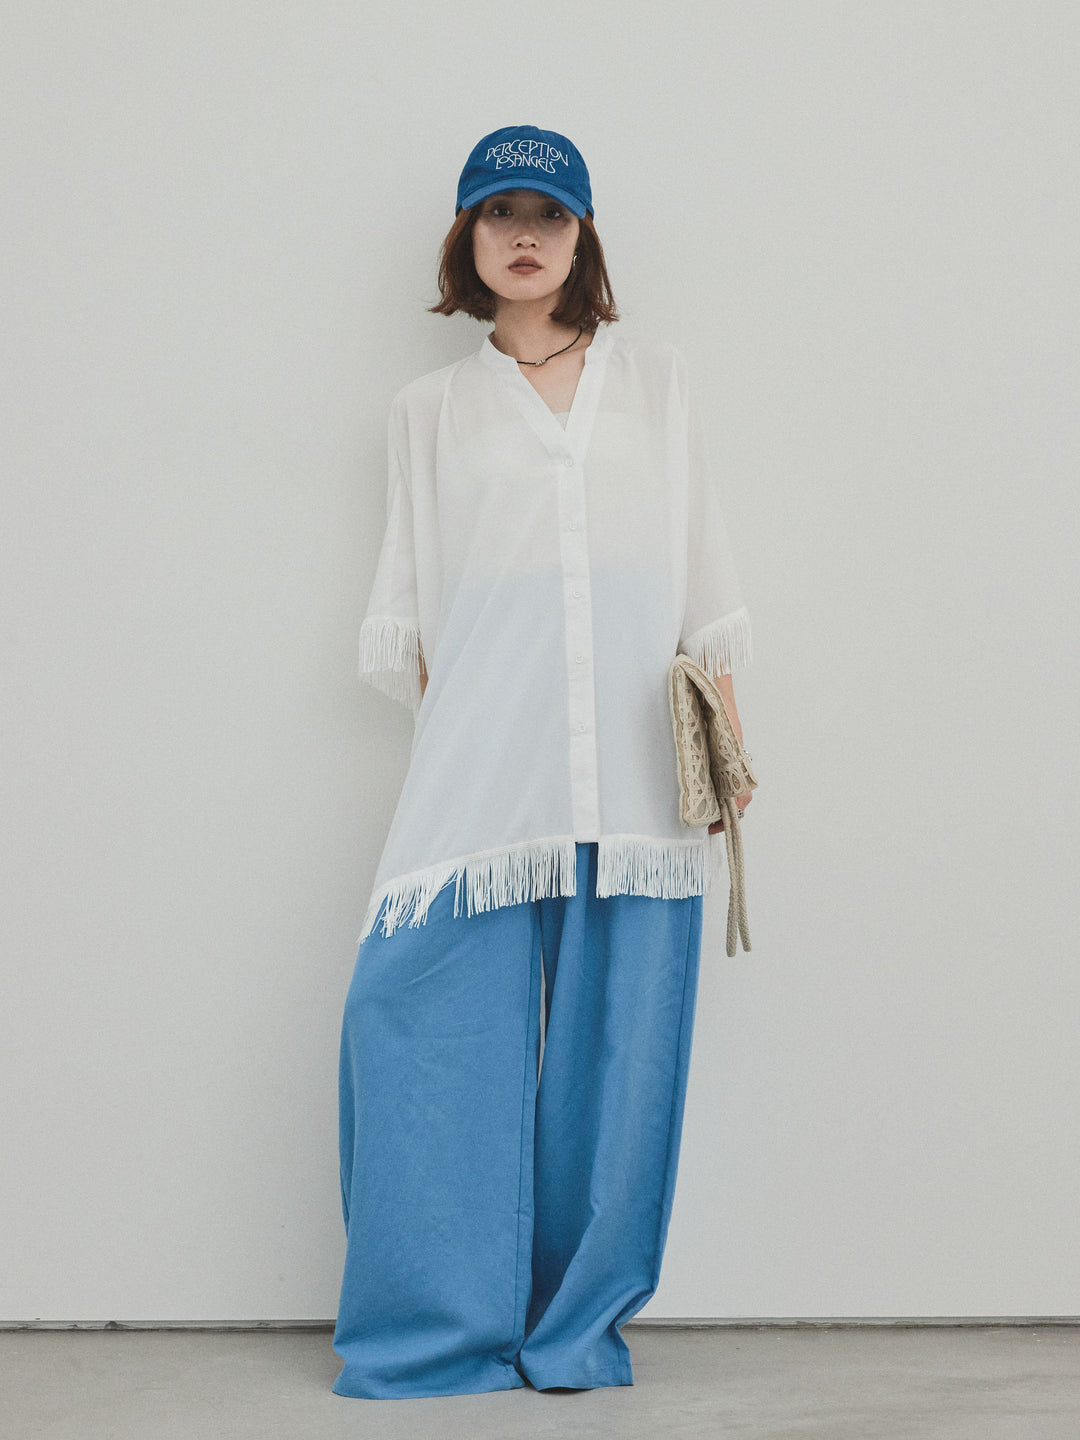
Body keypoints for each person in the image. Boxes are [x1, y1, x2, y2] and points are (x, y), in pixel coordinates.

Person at [331, 123, 755, 1401]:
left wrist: (732, 749)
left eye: (550, 214)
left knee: (619, 1064)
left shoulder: (659, 383)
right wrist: (452, 754)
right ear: (466, 239)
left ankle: (574, 1332)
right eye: (500, 213)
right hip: (485, 773)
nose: (526, 235)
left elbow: (703, 575)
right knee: (409, 1023)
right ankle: (436, 1329)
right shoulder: (428, 411)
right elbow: (417, 612)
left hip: (636, 780)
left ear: (584, 237)